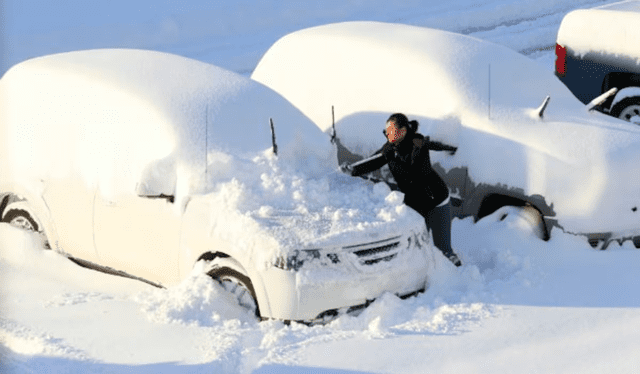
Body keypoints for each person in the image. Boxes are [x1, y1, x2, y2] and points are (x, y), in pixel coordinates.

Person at [341, 113, 462, 267]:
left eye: (390, 131)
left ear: (403, 131)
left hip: (436, 198)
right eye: (386, 132)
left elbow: (418, 167)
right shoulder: (389, 149)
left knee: (444, 249)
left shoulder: (418, 143)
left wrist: (451, 148)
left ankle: (457, 276)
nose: (387, 135)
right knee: (417, 248)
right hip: (416, 204)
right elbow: (372, 162)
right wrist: (353, 170)